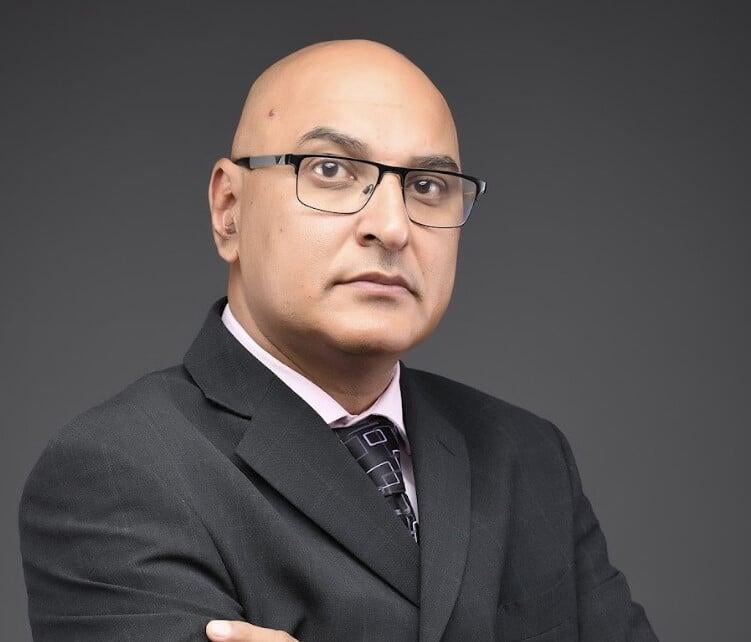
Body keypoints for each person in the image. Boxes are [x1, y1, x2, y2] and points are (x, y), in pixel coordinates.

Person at [18, 38, 659, 642]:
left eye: (427, 186)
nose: (392, 227)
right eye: (330, 170)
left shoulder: (528, 454)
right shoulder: (118, 472)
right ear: (229, 209)